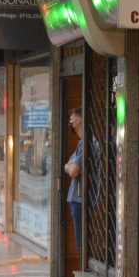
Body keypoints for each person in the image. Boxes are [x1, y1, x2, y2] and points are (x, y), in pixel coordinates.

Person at [63, 108, 84, 255]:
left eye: (72, 119)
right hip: (76, 198)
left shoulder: (85, 143)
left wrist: (71, 167)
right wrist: (70, 167)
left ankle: (83, 264)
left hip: (80, 198)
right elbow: (68, 166)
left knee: (80, 239)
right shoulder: (80, 144)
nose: (70, 122)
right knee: (79, 236)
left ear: (79, 121)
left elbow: (73, 170)